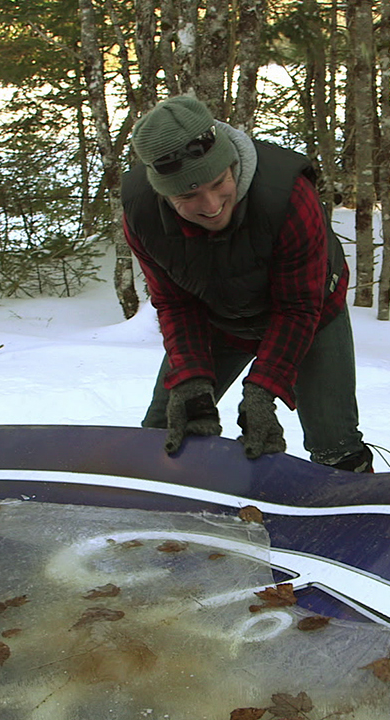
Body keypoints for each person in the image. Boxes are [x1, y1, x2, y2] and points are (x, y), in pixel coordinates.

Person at [122, 95, 372, 472]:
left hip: (311, 312)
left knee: (334, 444)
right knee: (166, 432)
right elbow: (174, 302)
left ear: (231, 163)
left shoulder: (287, 194)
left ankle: (357, 515)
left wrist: (264, 388)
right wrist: (191, 377)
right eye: (187, 196)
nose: (210, 205)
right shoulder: (142, 215)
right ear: (163, 192)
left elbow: (297, 306)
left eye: (218, 182)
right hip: (216, 316)